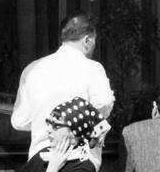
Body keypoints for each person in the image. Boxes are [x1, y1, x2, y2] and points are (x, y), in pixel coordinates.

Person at [10, 13, 114, 163]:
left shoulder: (32, 69)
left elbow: (19, 121)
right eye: (94, 41)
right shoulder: (93, 68)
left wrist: (47, 122)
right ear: (87, 40)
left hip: (39, 162)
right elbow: (103, 105)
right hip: (77, 161)